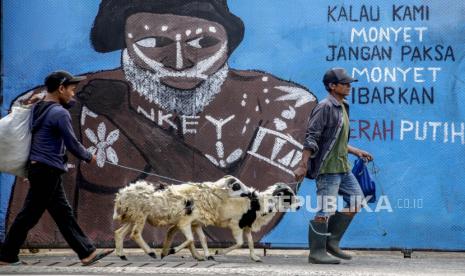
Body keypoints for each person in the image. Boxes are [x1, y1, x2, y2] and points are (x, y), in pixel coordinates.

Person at [10, 0, 316, 245]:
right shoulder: (74, 102)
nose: (180, 61)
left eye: (203, 42)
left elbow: (233, 226)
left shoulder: (280, 103)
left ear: (228, 42)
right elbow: (38, 217)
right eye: (155, 41)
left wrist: (125, 116)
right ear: (125, 44)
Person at [0, 71, 113, 266]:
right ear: (61, 88)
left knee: (62, 213)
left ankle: (86, 252)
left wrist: (44, 96)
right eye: (71, 90)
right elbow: (72, 143)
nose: (73, 94)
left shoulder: (41, 108)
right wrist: (88, 156)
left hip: (42, 169)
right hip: (47, 169)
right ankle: (6, 256)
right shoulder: (59, 113)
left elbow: (63, 103)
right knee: (30, 214)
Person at [294, 68, 373, 264]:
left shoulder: (343, 106)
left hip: (342, 166)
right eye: (344, 83)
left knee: (357, 201)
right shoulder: (325, 107)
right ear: (332, 86)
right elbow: (312, 137)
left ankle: (331, 241)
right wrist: (303, 165)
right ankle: (317, 252)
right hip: (328, 168)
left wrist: (355, 151)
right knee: (325, 210)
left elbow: (334, 139)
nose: (349, 86)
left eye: (349, 83)